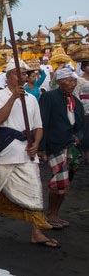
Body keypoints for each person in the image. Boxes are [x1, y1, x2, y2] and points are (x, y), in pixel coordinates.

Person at [0, 59, 58, 248]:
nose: (21, 77)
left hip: (27, 153)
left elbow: (38, 126)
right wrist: (13, 98)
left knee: (35, 190)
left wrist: (36, 144)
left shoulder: (31, 99)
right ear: (8, 76)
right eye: (17, 73)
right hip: (5, 151)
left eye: (24, 73)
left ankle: (37, 232)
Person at [39, 67, 84, 229]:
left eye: (73, 81)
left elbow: (80, 125)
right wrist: (41, 147)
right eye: (68, 80)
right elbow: (42, 122)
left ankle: (54, 214)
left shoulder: (75, 102)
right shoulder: (49, 97)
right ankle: (51, 215)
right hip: (56, 145)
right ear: (59, 82)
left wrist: (79, 138)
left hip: (71, 146)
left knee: (65, 183)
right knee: (59, 183)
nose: (72, 83)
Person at [74, 61, 89, 163]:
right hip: (85, 109)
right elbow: (76, 94)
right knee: (86, 134)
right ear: (83, 67)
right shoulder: (79, 79)